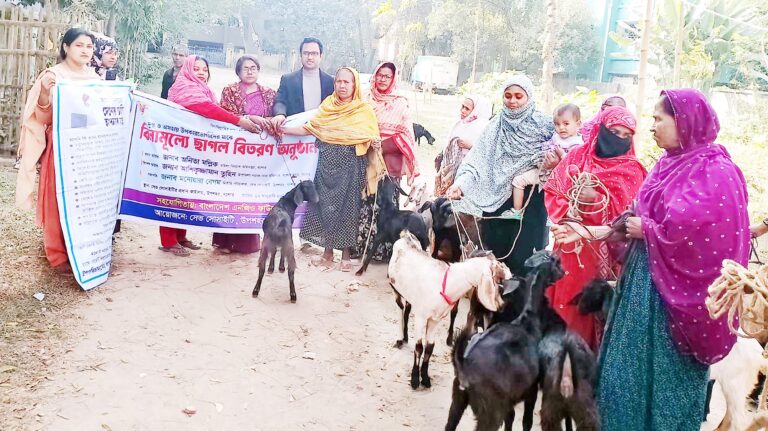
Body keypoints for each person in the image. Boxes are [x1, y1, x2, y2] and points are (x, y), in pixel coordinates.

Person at [552, 89, 749, 430]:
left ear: (685, 122)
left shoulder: (717, 173)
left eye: (659, 119)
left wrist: (652, 231)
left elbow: (710, 237)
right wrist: (592, 233)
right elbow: (633, 220)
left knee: (668, 380)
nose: (652, 126)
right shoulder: (665, 166)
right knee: (621, 376)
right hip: (639, 291)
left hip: (677, 304)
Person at [543, 105, 647, 350]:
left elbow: (632, 216)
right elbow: (553, 190)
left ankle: (590, 369)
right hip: (571, 249)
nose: (619, 139)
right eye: (614, 131)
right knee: (566, 303)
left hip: (608, 256)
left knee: (595, 309)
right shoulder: (578, 156)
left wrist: (597, 201)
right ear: (601, 129)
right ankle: (558, 362)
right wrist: (575, 207)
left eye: (625, 135)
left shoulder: (634, 171)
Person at [445, 75, 556, 275]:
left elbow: (568, 153)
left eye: (518, 96)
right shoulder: (496, 126)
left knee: (524, 258)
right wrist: (460, 185)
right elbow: (476, 160)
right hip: (498, 201)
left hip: (531, 202)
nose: (512, 101)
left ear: (528, 97)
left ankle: (518, 298)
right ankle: (493, 298)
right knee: (496, 253)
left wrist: (553, 163)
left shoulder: (546, 125)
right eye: (508, 96)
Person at [281, 67, 384, 272]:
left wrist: (375, 143)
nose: (342, 86)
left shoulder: (363, 110)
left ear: (355, 85)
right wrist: (282, 129)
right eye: (339, 82)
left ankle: (346, 255)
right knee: (324, 206)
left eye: (347, 82)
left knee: (348, 208)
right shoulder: (328, 106)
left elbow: (372, 136)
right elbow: (310, 128)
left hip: (352, 164)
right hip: (326, 163)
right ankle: (327, 253)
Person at [15, 28, 100, 269]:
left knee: (83, 198)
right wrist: (44, 93)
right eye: (79, 45)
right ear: (66, 47)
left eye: (89, 47)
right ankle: (57, 253)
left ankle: (81, 248)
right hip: (61, 147)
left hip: (88, 149)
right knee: (57, 198)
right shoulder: (53, 76)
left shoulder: (95, 79)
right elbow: (42, 118)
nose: (85, 50)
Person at [160, 55, 259, 257]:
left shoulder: (203, 90)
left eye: (204, 69)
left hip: (192, 149)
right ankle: (168, 241)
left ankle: (180, 236)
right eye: (196, 69)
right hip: (177, 148)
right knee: (175, 191)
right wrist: (238, 121)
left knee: (188, 192)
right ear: (187, 70)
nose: (201, 73)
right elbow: (207, 109)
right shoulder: (184, 89)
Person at [214, 55, 277, 254]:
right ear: (238, 72)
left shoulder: (268, 93)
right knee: (230, 194)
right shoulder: (230, 91)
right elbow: (225, 116)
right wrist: (250, 118)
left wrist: (264, 121)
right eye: (245, 68)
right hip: (234, 150)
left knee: (251, 195)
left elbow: (272, 118)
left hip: (257, 153)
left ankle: (246, 243)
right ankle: (224, 241)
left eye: (253, 68)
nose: (250, 71)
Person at [355, 62, 418, 261]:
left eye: (387, 76)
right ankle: (362, 247)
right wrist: (367, 141)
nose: (382, 79)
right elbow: (356, 123)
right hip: (366, 158)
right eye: (380, 75)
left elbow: (405, 134)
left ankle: (383, 253)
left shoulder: (400, 102)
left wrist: (382, 144)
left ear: (393, 79)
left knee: (387, 207)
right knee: (366, 203)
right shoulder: (364, 98)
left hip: (390, 162)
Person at [509, 103, 586, 217]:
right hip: (544, 171)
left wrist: (562, 156)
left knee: (559, 205)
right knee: (518, 180)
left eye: (566, 124)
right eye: (557, 124)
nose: (561, 128)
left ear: (578, 124)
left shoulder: (578, 144)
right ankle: (517, 212)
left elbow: (574, 167)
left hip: (561, 180)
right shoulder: (556, 136)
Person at [270, 37, 334, 131]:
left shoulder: (330, 82)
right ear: (301, 55)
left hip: (322, 133)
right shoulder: (288, 80)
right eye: (306, 53)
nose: (310, 57)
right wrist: (280, 114)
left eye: (314, 53)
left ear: (321, 56)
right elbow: (280, 101)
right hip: (295, 135)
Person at [434, 95, 491, 196]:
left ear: (476, 111)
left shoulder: (484, 127)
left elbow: (487, 151)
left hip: (467, 175)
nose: (463, 111)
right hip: (449, 169)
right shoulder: (459, 124)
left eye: (467, 109)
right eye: (462, 107)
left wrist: (471, 146)